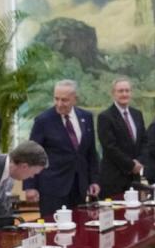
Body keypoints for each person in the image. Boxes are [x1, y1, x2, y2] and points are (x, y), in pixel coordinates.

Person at [24, 79, 100, 218]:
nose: (59, 104)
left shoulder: (86, 117)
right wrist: (30, 186)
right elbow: (31, 153)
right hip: (53, 188)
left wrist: (94, 180)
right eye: (56, 99)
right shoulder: (43, 120)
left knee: (79, 228)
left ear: (74, 99)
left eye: (64, 100)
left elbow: (90, 152)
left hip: (79, 187)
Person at [98, 77, 147, 198]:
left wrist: (140, 161)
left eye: (127, 90)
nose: (124, 94)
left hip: (134, 178)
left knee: (135, 214)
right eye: (120, 91)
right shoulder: (105, 117)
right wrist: (131, 165)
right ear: (113, 93)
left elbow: (145, 142)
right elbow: (110, 147)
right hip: (114, 179)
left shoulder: (137, 114)